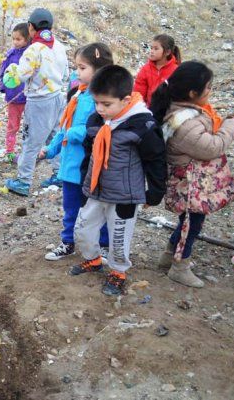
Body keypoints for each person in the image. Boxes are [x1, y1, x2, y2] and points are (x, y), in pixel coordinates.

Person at [69, 65, 166, 296]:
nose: (100, 109)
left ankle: (118, 271)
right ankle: (93, 259)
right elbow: (89, 152)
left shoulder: (142, 126)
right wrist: (84, 180)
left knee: (119, 238)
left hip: (125, 197)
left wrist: (155, 192)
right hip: (95, 190)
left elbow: (156, 160)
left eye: (106, 104)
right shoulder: (96, 121)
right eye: (96, 103)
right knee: (82, 229)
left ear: (125, 100)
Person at [151, 61, 234, 288]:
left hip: (189, 183)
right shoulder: (186, 123)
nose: (210, 91)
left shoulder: (182, 113)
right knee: (191, 224)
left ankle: (169, 255)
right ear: (193, 93)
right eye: (208, 87)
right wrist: (231, 127)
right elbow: (212, 147)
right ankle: (179, 267)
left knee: (188, 222)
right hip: (190, 185)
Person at [40, 43, 113, 261]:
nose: (77, 72)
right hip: (70, 164)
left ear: (99, 70)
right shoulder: (78, 95)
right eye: (76, 67)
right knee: (71, 207)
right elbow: (64, 127)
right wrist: (50, 149)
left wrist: (74, 133)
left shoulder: (104, 100)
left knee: (97, 208)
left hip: (91, 165)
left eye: (82, 68)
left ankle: (104, 245)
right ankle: (68, 242)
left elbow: (100, 128)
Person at [4, 8, 69, 196]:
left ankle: (23, 181)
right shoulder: (59, 46)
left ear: (31, 27)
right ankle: (59, 173)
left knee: (31, 141)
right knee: (55, 136)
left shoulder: (34, 49)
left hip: (39, 100)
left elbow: (20, 76)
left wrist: (11, 69)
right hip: (58, 97)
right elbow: (65, 73)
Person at [0, 22, 30, 162]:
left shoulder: (31, 55)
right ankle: (10, 151)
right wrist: (3, 87)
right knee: (12, 125)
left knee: (29, 126)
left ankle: (28, 152)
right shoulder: (10, 54)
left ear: (27, 39)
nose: (15, 42)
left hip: (29, 97)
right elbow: (2, 72)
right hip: (13, 98)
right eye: (13, 39)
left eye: (19, 39)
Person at [134, 34, 180, 106]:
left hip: (168, 109)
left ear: (167, 52)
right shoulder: (145, 69)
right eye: (151, 48)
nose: (151, 51)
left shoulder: (176, 70)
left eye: (156, 49)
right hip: (148, 109)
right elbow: (139, 93)